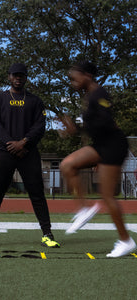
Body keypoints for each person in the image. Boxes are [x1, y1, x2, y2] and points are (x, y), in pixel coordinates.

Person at [0, 63, 60, 248]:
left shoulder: (35, 101)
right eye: (15, 75)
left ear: (26, 77)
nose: (18, 78)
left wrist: (24, 142)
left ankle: (48, 234)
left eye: (22, 75)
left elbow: (40, 126)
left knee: (37, 195)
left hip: (28, 152)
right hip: (5, 153)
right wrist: (11, 144)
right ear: (9, 77)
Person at [59, 61, 136, 257]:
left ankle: (126, 241)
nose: (72, 82)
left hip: (113, 145)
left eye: (74, 77)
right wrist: (75, 130)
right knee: (67, 165)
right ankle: (84, 209)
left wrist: (78, 129)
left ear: (87, 76)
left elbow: (105, 121)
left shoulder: (100, 93)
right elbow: (95, 126)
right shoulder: (89, 96)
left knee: (107, 196)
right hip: (101, 145)